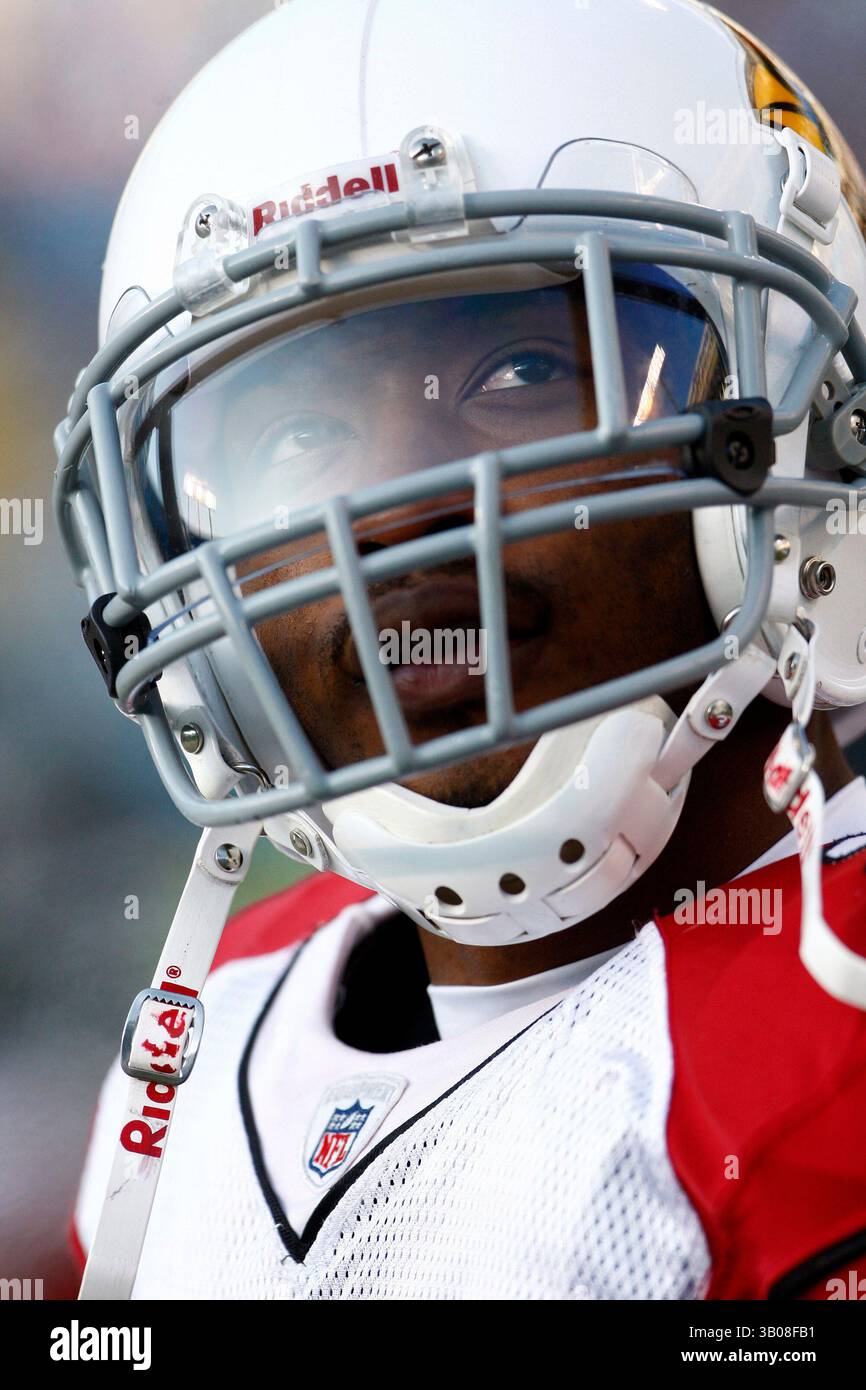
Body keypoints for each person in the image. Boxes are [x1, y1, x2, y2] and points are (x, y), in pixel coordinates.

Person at [59, 0, 866, 1299]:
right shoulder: (204, 1040)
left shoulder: (828, 1045)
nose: (394, 521)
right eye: (297, 444)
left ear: (801, 437)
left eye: (516, 372)